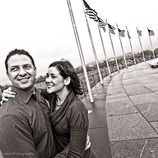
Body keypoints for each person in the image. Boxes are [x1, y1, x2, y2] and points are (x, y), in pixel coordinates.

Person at [1, 60, 97, 158]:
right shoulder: (52, 97)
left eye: (53, 76)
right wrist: (9, 92)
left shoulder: (77, 108)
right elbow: (32, 91)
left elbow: (75, 154)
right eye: (47, 76)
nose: (47, 80)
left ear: (66, 80)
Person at [0, 49, 56, 158]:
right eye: (14, 69)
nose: (22, 73)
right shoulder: (10, 116)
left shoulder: (39, 94)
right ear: (8, 75)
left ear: (35, 70)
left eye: (27, 66)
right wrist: (74, 147)